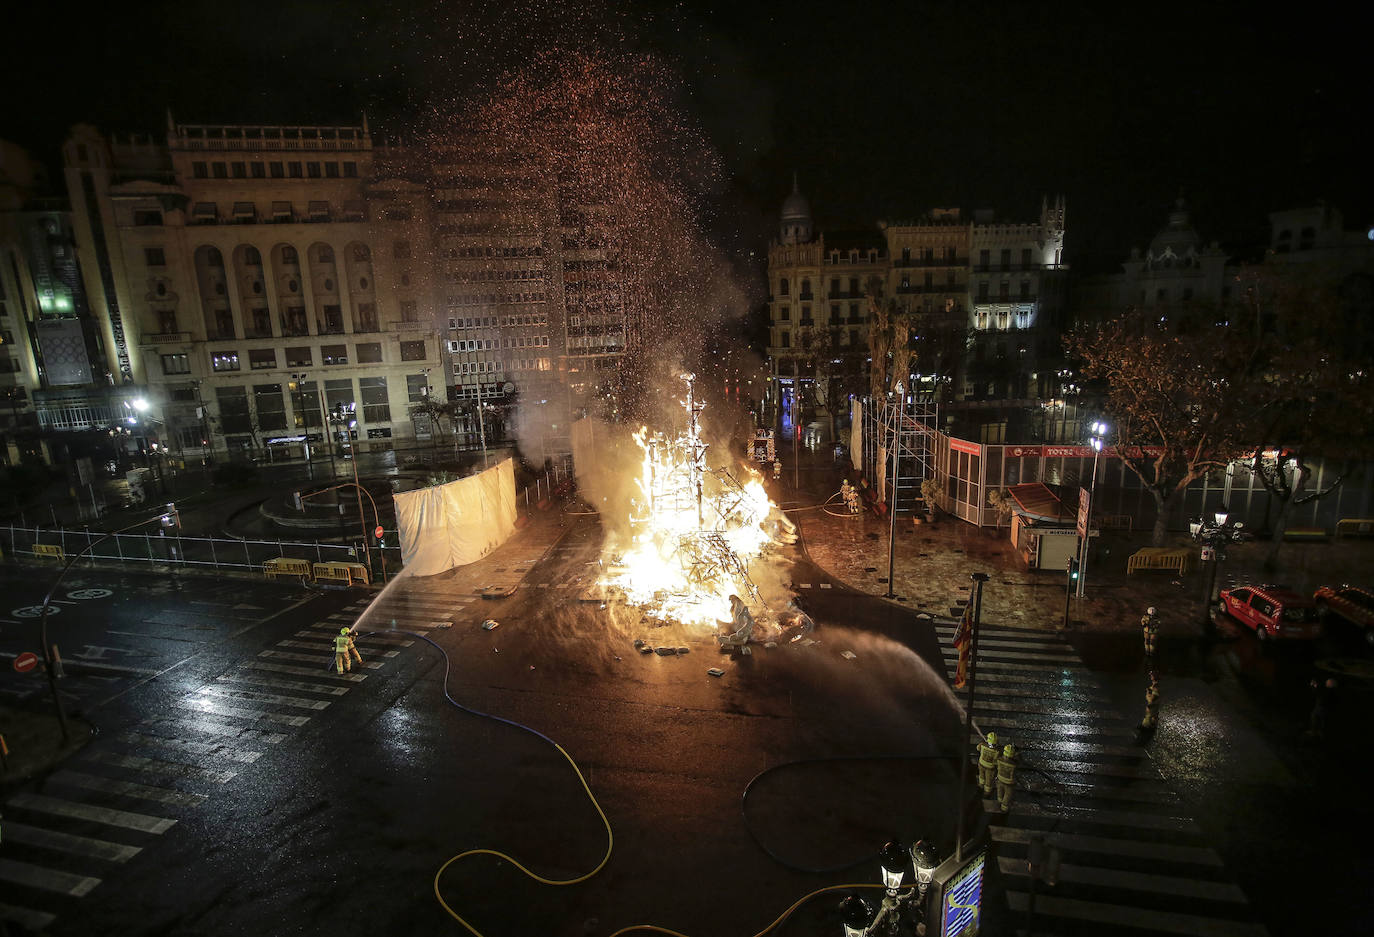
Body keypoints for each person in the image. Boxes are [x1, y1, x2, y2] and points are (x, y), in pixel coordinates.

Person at [996, 743, 1018, 811]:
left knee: (1000, 791)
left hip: (1000, 779)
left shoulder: (999, 760)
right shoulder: (1014, 764)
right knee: (1007, 796)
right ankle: (1004, 808)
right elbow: (1018, 761)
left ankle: (999, 801)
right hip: (1009, 783)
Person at [976, 731, 999, 796]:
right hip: (990, 768)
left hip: (981, 764)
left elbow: (978, 748)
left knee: (981, 776)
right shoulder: (997, 751)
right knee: (989, 781)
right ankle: (987, 793)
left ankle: (980, 786)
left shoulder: (982, 745)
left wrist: (983, 742)